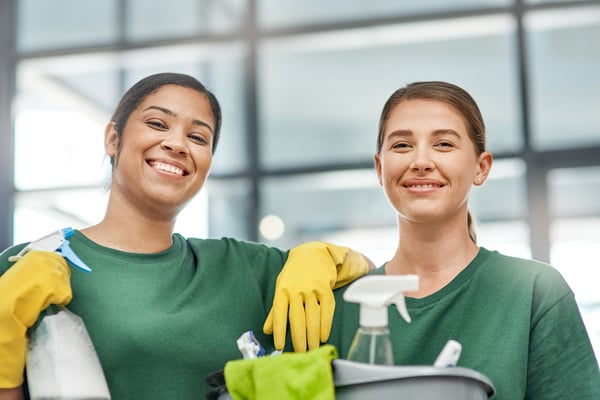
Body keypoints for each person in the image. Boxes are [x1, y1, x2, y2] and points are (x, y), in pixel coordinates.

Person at [0, 72, 372, 400]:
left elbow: (377, 287)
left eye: (197, 136)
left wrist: (325, 257)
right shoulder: (28, 269)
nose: (177, 144)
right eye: (159, 124)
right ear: (113, 139)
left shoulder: (244, 269)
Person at [327, 81, 600, 399]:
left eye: (443, 144)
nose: (421, 161)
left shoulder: (532, 292)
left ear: (481, 168)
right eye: (402, 145)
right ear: (379, 167)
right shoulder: (339, 304)